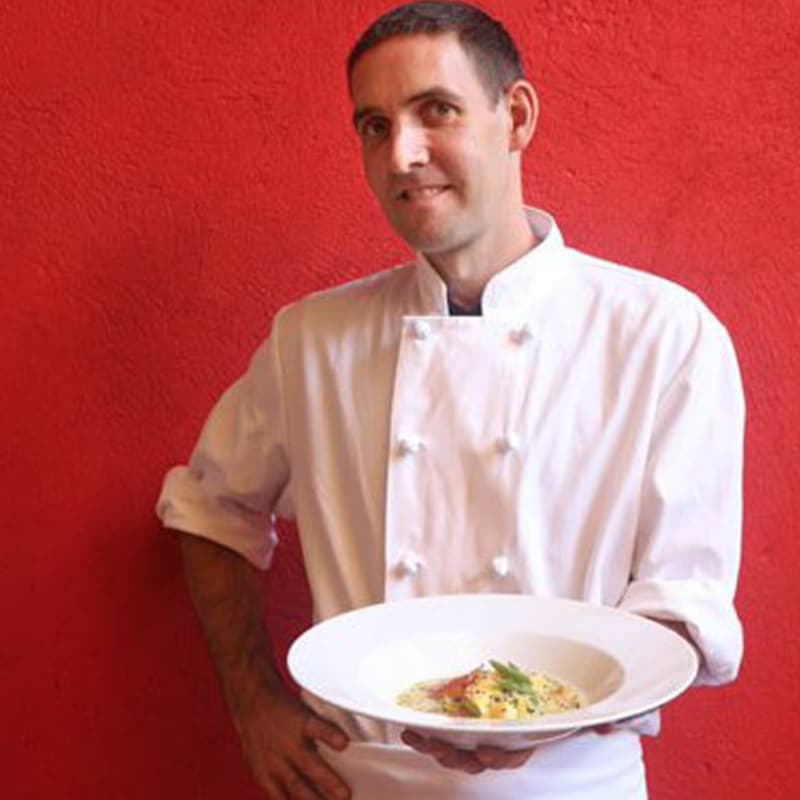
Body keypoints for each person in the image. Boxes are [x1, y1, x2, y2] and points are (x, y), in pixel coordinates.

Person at [156, 2, 744, 798]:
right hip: (361, 780)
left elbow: (683, 606)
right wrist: (252, 703)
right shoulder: (312, 341)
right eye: (374, 125)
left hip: (571, 782)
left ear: (517, 116)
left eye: (436, 110)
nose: (402, 155)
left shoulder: (661, 334)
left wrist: (546, 714)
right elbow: (207, 511)